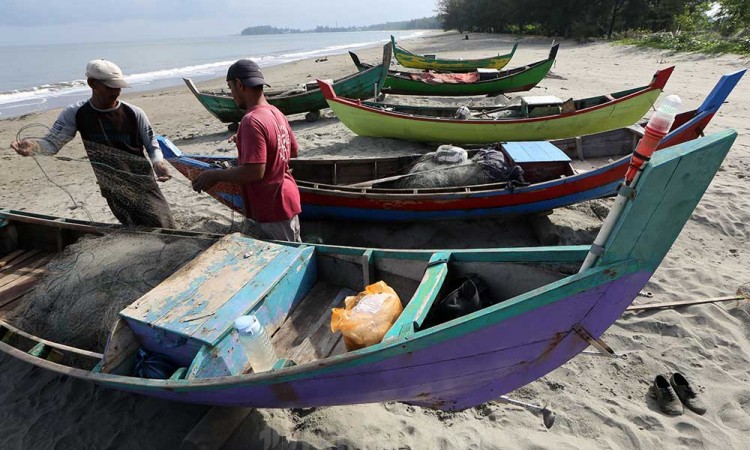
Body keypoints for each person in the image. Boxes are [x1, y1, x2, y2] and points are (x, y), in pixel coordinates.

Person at [10, 59, 175, 229]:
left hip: (143, 183)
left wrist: (158, 163)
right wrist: (34, 147)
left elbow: (152, 143)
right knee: (135, 228)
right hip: (111, 187)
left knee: (164, 226)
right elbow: (52, 144)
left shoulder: (134, 112)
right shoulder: (75, 113)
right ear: (92, 83)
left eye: (118, 86)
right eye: (110, 87)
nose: (116, 92)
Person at [191, 59, 302, 242]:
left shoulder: (251, 121)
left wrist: (215, 175)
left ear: (240, 85)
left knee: (285, 257)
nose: (231, 93)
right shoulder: (276, 113)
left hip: (272, 205)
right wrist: (247, 144)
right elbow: (292, 152)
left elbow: (254, 172)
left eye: (230, 87)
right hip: (287, 199)